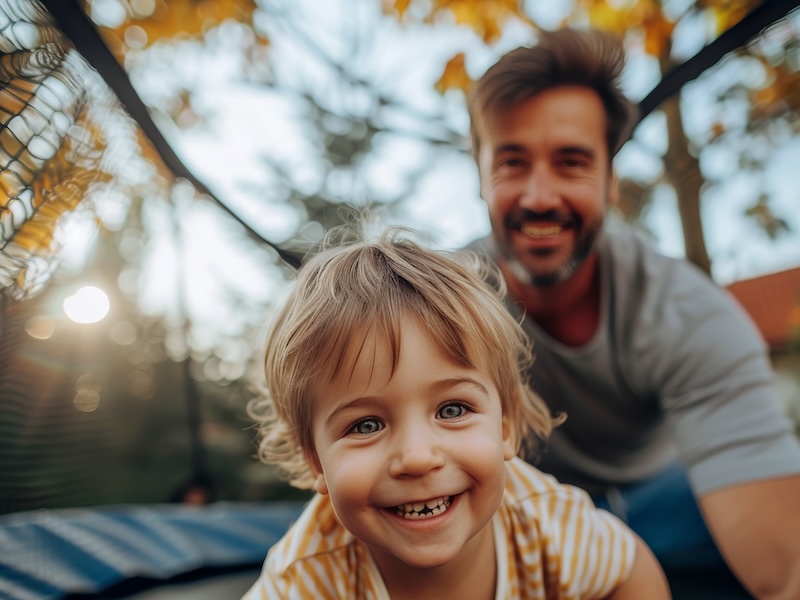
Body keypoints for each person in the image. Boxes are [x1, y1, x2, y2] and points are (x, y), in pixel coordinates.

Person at [466, 27, 800, 598]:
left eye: (571, 162)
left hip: (674, 500)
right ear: (480, 176)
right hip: (521, 513)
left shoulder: (688, 313)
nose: (540, 196)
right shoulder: (444, 310)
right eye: (512, 163)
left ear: (611, 181)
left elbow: (783, 571)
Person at [242, 227, 670, 599]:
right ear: (315, 458)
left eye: (452, 409)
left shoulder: (545, 524)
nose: (417, 457)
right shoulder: (307, 579)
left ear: (504, 424)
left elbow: (629, 569)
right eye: (366, 425)